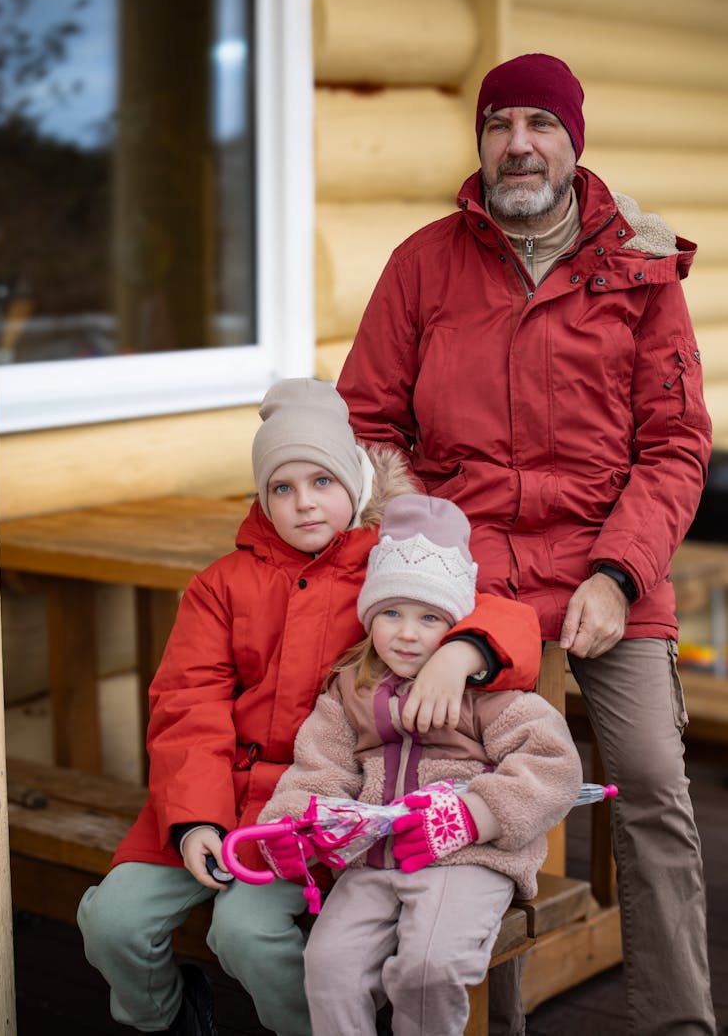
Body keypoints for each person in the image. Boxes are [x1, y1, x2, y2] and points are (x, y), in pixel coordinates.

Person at [336, 52, 716, 1035]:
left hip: (605, 571)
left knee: (652, 787)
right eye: (500, 123)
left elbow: (676, 443)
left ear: (572, 142)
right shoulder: (423, 263)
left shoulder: (638, 263)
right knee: (423, 762)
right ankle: (425, 981)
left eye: (540, 125)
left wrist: (620, 573)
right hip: (467, 580)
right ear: (480, 142)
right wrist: (427, 551)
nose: (519, 144)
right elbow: (369, 419)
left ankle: (676, 1023)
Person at [77, 378, 542, 1036]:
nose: (303, 503)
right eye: (282, 487)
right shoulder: (222, 585)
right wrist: (192, 821)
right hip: (208, 796)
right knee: (112, 920)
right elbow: (188, 704)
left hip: (313, 805)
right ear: (263, 498)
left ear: (354, 481)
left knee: (245, 931)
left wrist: (463, 650)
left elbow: (509, 617)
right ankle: (171, 1013)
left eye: (321, 481)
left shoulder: (390, 570)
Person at [256, 493, 583, 1036]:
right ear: (370, 617)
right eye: (391, 614)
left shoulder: (486, 693)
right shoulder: (351, 689)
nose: (406, 634)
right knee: (328, 966)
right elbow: (320, 766)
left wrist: (475, 815)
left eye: (428, 617)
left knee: (429, 969)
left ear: (455, 623)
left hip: (466, 860)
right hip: (373, 861)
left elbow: (552, 766)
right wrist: (297, 821)